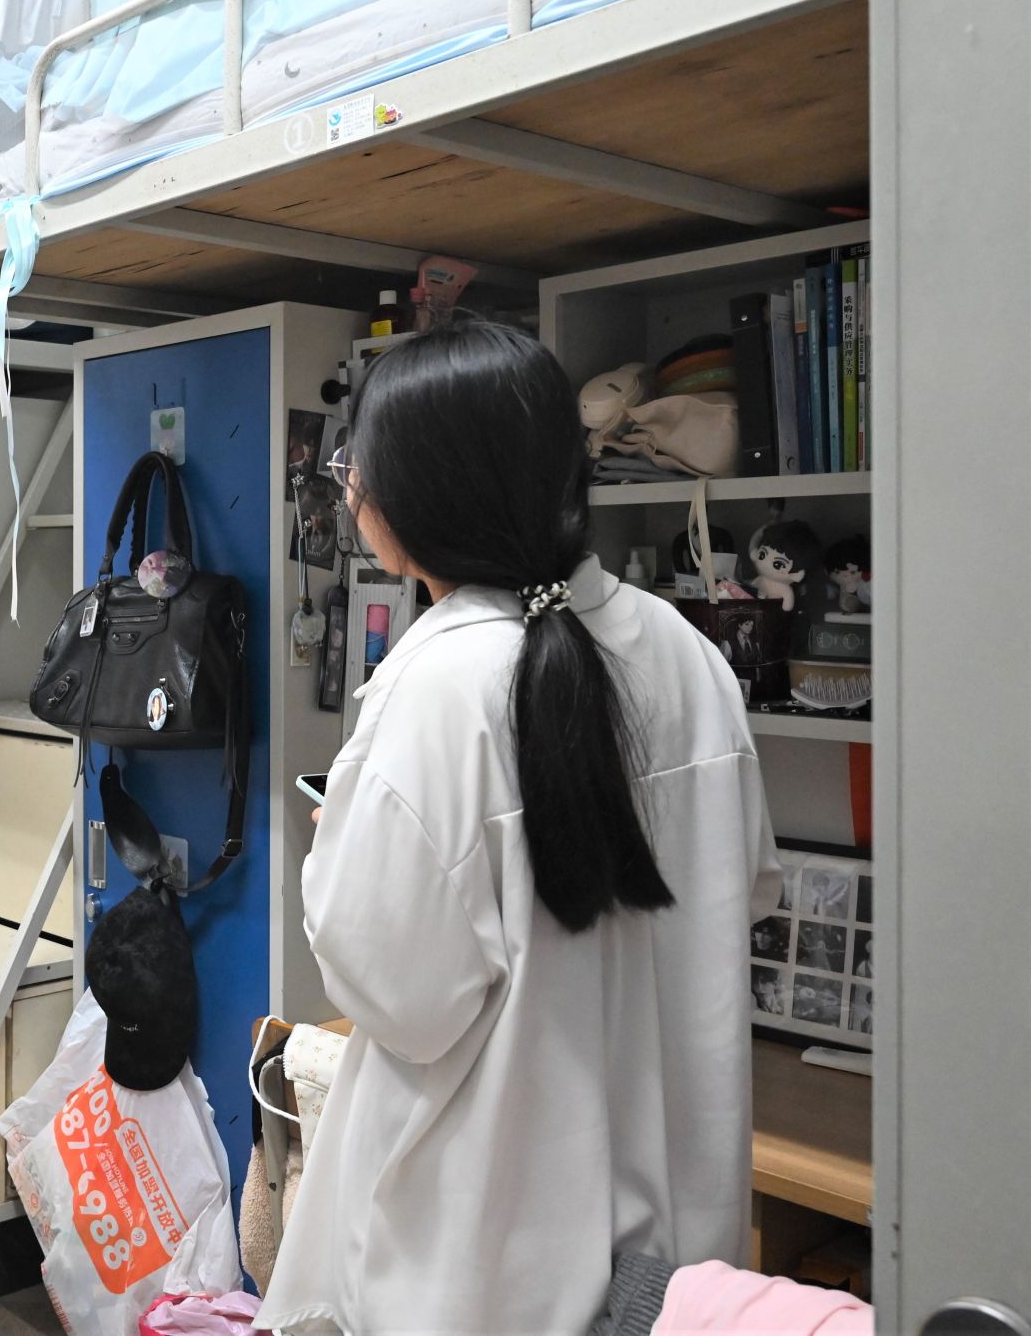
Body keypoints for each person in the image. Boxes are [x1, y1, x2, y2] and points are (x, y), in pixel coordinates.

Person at [255, 322, 783, 1336]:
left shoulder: (435, 684)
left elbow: (397, 996)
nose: (348, 485)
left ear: (424, 491)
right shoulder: (684, 651)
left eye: (357, 460)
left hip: (487, 1272)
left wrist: (342, 848)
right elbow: (742, 890)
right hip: (672, 1274)